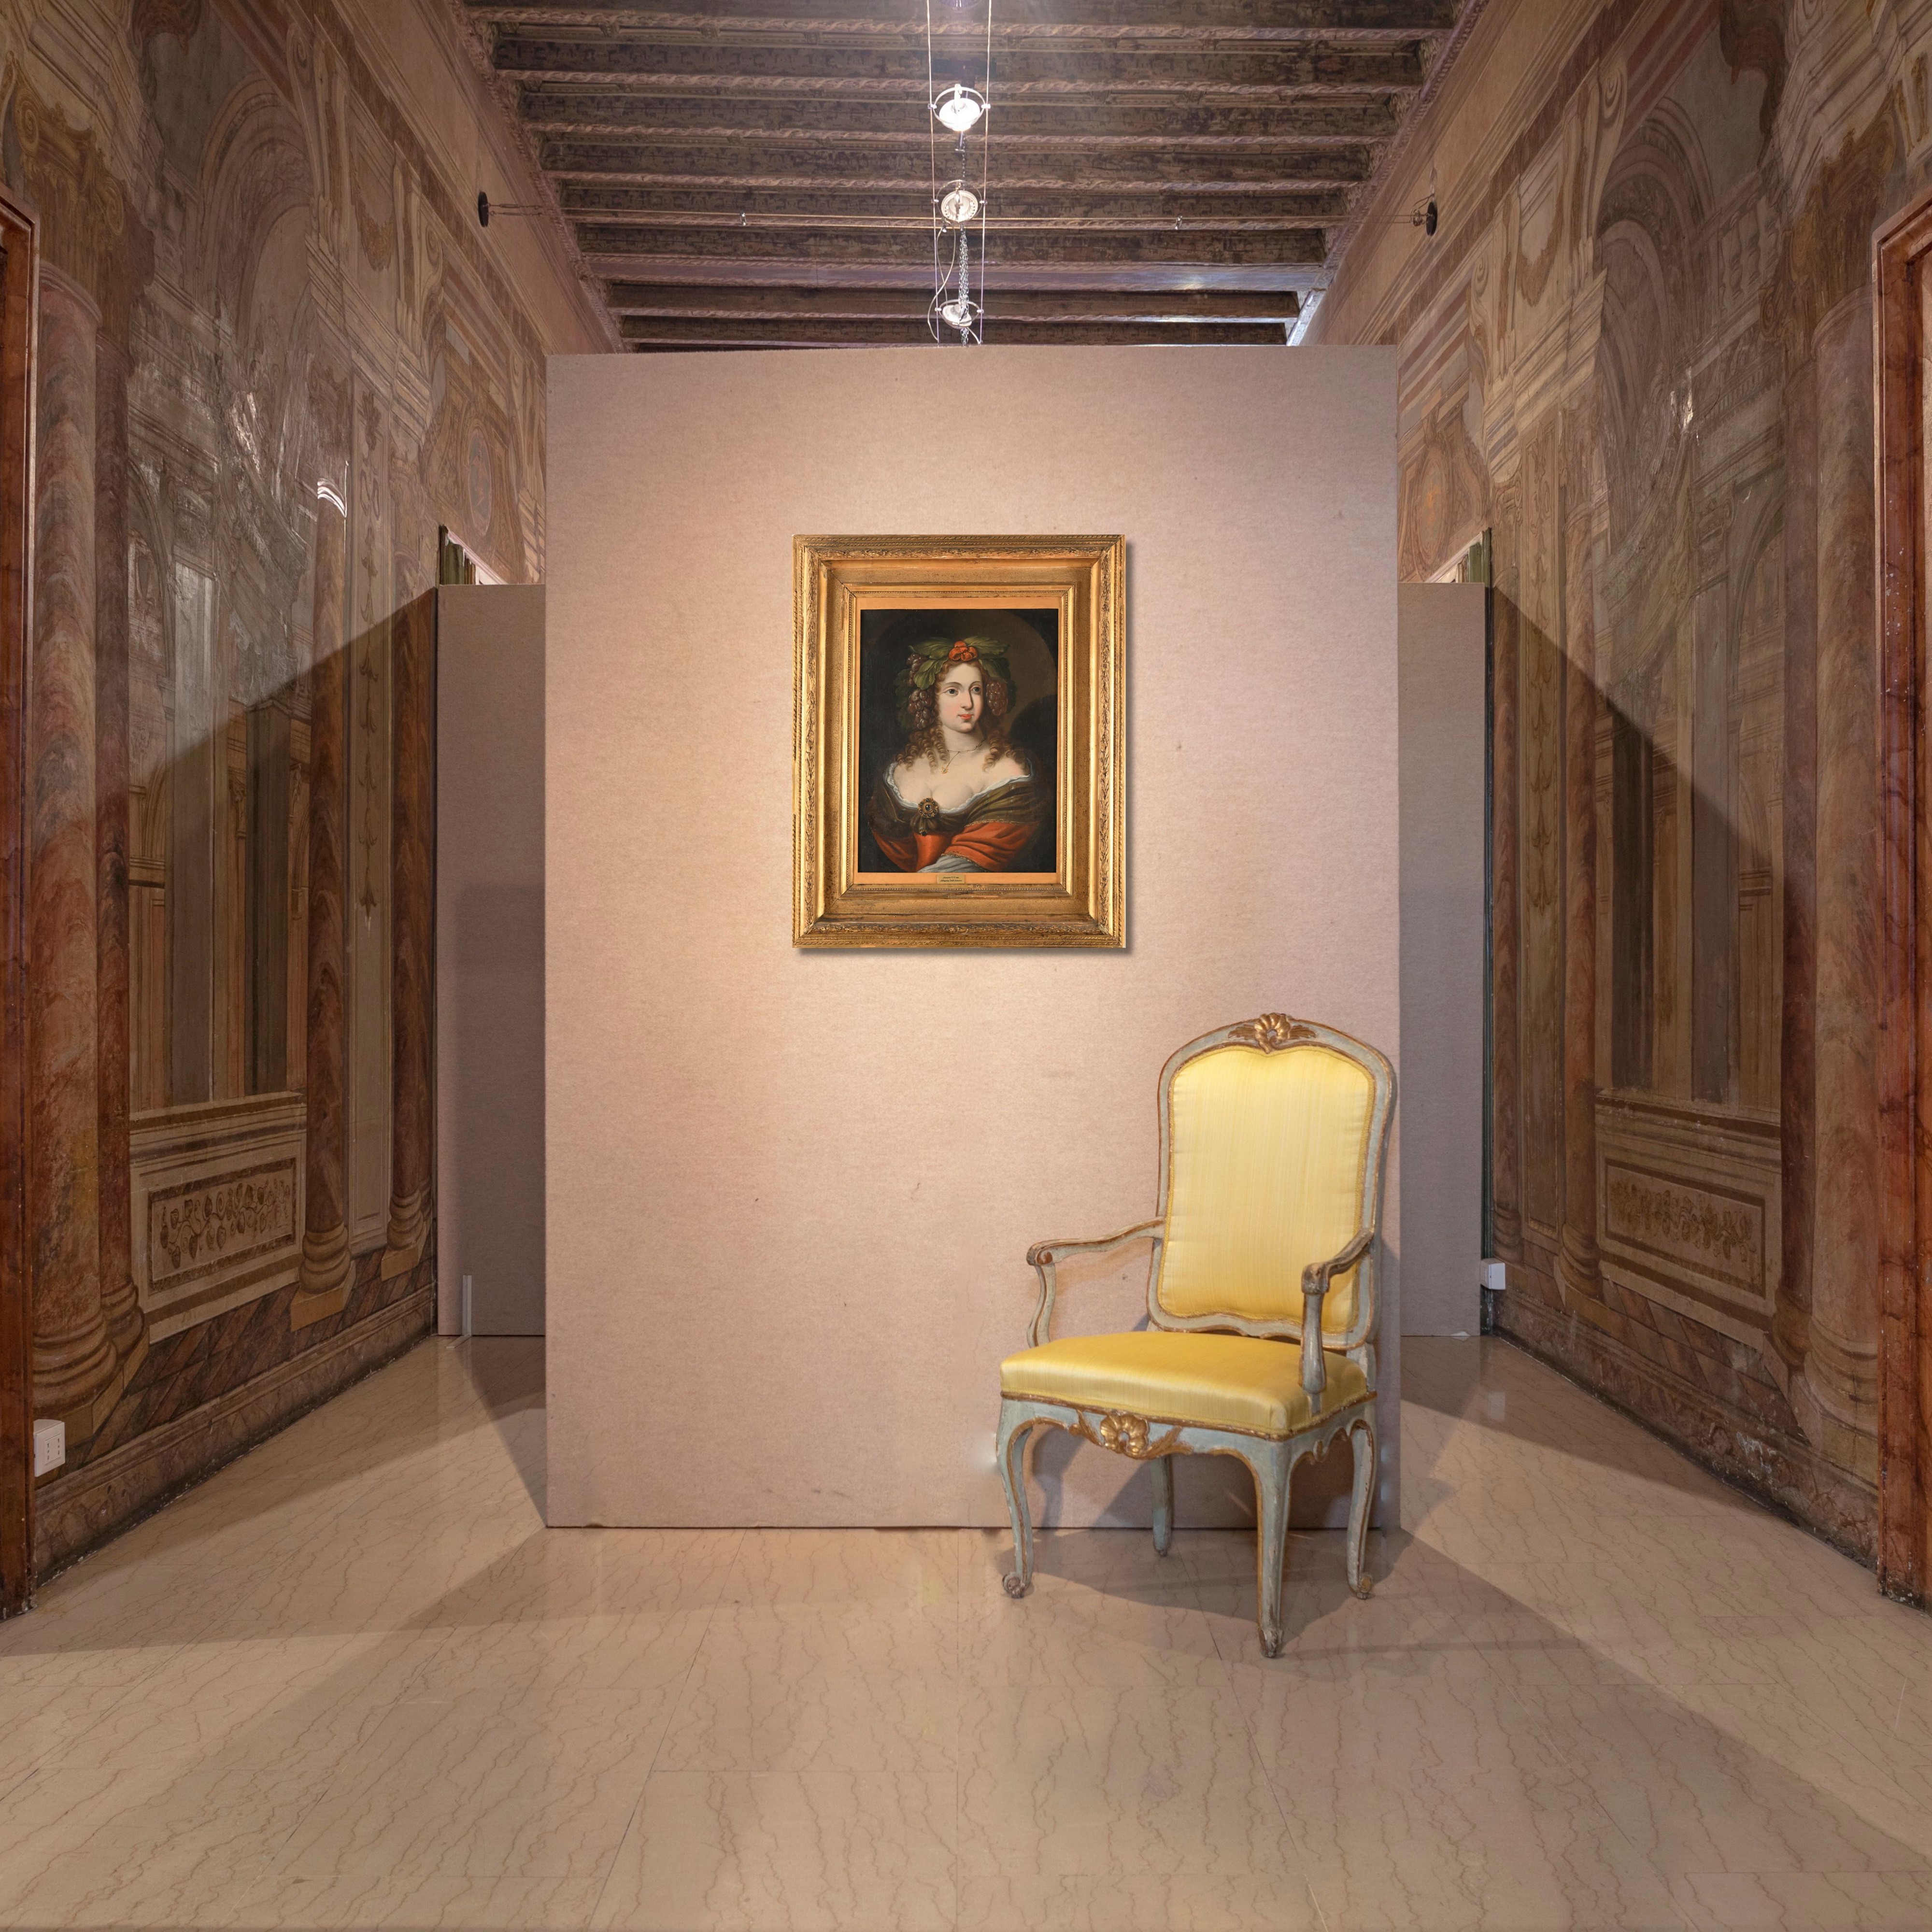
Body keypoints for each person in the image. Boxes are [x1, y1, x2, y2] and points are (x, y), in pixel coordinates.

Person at [867, 638, 1048, 872]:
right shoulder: (902, 767)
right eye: (953, 691)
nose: (968, 703)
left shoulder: (1008, 771)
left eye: (976, 690)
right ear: (931, 698)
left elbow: (970, 863)